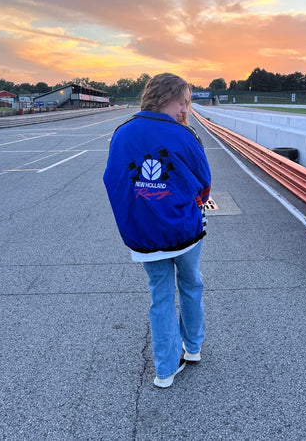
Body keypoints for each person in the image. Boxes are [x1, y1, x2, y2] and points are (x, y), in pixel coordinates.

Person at [103, 73, 211, 388]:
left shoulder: (122, 133)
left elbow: (114, 182)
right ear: (167, 97)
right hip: (185, 231)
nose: (185, 109)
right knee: (191, 285)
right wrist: (183, 204)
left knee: (160, 295)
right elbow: (204, 185)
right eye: (183, 102)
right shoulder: (184, 135)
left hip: (144, 236)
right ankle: (193, 347)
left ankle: (165, 368)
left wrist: (136, 213)